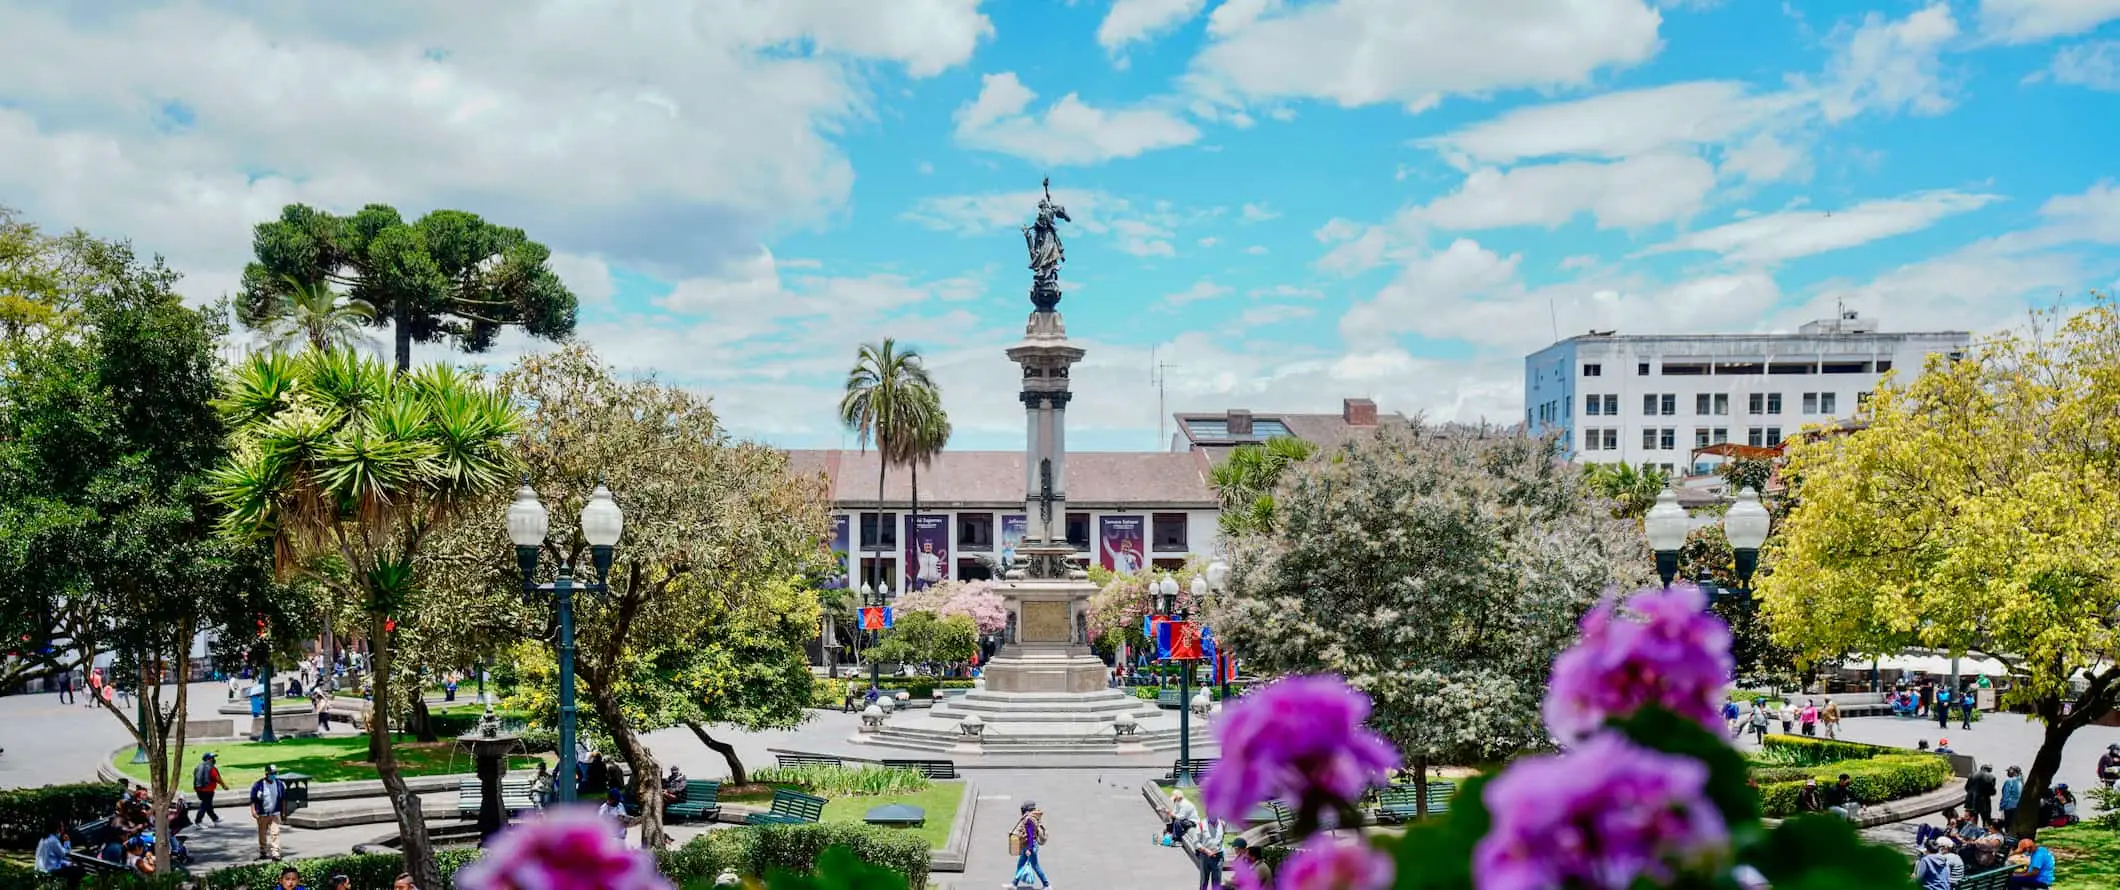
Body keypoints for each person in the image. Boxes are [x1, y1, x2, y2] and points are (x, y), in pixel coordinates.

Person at [250, 763, 289, 861]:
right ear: (266, 774)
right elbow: (253, 799)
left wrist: (283, 812)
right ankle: (263, 851)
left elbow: (283, 799)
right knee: (262, 834)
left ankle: (275, 853)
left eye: (275, 773)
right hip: (262, 814)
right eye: (272, 773)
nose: (273, 775)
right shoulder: (259, 785)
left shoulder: (279, 784)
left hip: (274, 813)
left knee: (275, 833)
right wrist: (253, 811)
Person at [1010, 801, 1050, 889]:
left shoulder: (1029, 819)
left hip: (1030, 845)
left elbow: (1030, 835)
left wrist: (1029, 849)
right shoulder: (1033, 817)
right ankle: (1014, 884)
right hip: (1028, 845)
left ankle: (1046, 884)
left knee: (1035, 866)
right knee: (1021, 864)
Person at [1188, 817, 1226, 890]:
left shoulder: (1222, 824)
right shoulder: (1201, 825)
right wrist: (1206, 851)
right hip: (1205, 856)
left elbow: (1222, 839)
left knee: (1217, 882)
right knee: (1204, 881)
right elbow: (1195, 843)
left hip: (1218, 856)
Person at [192, 752, 229, 827]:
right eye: (212, 758)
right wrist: (224, 785)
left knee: (208, 805)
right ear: (208, 759)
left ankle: (215, 819)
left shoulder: (198, 766)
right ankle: (198, 822)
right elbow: (217, 778)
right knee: (205, 805)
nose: (214, 760)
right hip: (208, 790)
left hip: (199, 789)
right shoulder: (211, 767)